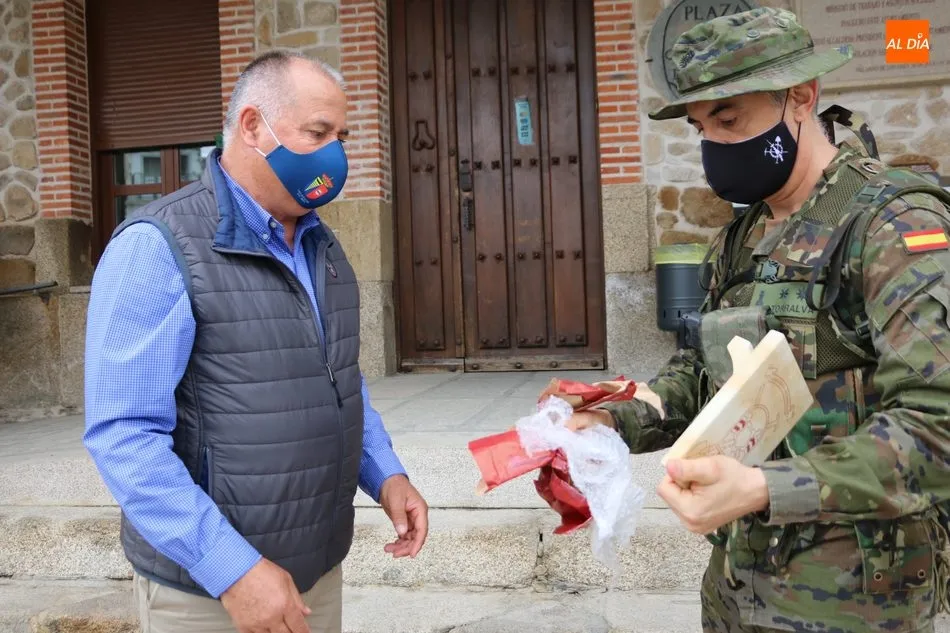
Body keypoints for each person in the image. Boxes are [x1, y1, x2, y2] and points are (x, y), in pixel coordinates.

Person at [569, 7, 950, 632]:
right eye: (699, 127)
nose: (713, 146)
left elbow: (936, 427)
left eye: (728, 118)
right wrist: (612, 419)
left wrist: (763, 487)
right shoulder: (740, 239)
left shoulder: (893, 225)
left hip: (854, 602)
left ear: (801, 98)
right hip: (735, 591)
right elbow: (702, 374)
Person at [83, 50, 429, 633]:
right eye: (318, 133)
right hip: (212, 594)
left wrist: (385, 473)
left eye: (340, 136)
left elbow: (337, 377)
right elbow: (124, 437)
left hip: (316, 571)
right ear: (252, 127)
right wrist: (233, 569)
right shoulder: (157, 246)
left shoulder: (324, 247)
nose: (334, 155)